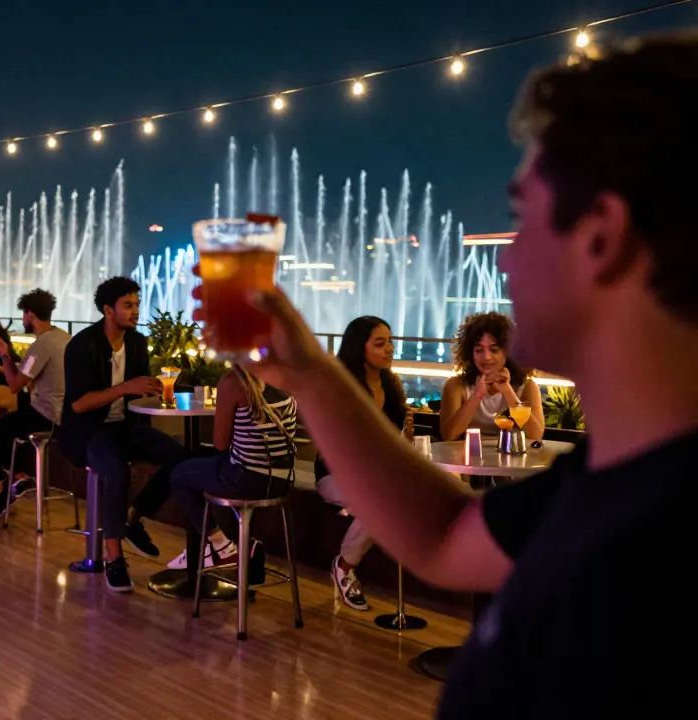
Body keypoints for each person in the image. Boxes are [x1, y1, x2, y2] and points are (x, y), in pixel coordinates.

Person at [193, 35, 695, 717]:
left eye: (521, 218)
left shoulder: (653, 553)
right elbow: (446, 534)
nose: (507, 262)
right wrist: (308, 371)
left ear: (601, 237)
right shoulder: (610, 483)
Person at [61, 276, 186, 593]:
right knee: (116, 471)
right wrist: (124, 388)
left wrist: (158, 393)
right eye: (128, 306)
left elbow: (137, 395)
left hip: (128, 426)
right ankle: (114, 558)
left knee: (181, 458)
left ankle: (135, 516)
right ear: (108, 309)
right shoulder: (82, 345)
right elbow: (78, 404)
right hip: (89, 429)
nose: (135, 311)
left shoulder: (136, 343)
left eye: (137, 305)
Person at [313, 316, 414, 611]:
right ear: (360, 348)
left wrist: (404, 437)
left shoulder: (391, 386)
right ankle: (344, 567)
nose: (389, 349)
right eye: (380, 344)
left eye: (390, 342)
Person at [167, 366, 296, 578]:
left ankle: (221, 545)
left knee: (179, 476)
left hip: (246, 478)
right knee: (202, 462)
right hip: (281, 479)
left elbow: (220, 443)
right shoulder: (287, 371)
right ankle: (247, 549)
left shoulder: (234, 381)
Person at [0, 288, 71, 517]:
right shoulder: (64, 337)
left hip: (46, 416)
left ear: (30, 314)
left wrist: (3, 353)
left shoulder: (41, 345)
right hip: (66, 416)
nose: (23, 319)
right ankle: (18, 478)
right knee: (5, 427)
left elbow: (14, 384)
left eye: (24, 314)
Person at [439, 312, 545, 441]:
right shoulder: (456, 385)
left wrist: (508, 392)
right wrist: (477, 396)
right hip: (468, 458)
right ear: (470, 353)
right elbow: (449, 435)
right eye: (479, 350)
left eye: (494, 350)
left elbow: (536, 435)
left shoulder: (527, 387)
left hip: (513, 459)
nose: (486, 357)